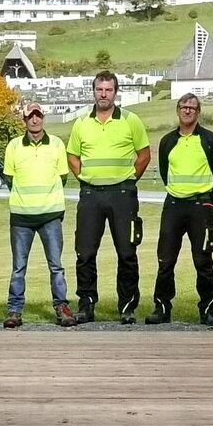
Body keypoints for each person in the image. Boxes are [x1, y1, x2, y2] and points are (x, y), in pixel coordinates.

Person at [66, 70, 151, 324]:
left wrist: (128, 180)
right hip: (91, 195)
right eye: (99, 89)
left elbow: (144, 155)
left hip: (122, 194)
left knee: (127, 252)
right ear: (93, 91)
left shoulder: (131, 120)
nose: (103, 94)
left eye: (108, 90)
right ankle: (86, 305)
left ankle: (127, 307)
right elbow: (72, 156)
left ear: (116, 92)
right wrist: (85, 177)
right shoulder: (81, 123)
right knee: (85, 253)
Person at [148, 93, 213, 327]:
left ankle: (208, 310)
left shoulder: (211, 140)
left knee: (203, 260)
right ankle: (162, 308)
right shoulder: (167, 141)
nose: (187, 111)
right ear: (177, 110)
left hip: (200, 206)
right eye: (183, 107)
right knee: (165, 260)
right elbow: (165, 171)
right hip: (173, 205)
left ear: (198, 112)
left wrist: (207, 198)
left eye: (192, 108)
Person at [1, 102, 78, 328]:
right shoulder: (14, 146)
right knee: (18, 267)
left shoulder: (57, 144)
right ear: (24, 120)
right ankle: (14, 310)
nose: (35, 120)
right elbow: (9, 179)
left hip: (50, 215)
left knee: (56, 266)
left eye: (38, 116)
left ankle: (62, 307)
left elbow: (62, 177)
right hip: (21, 216)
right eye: (30, 116)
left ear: (43, 118)